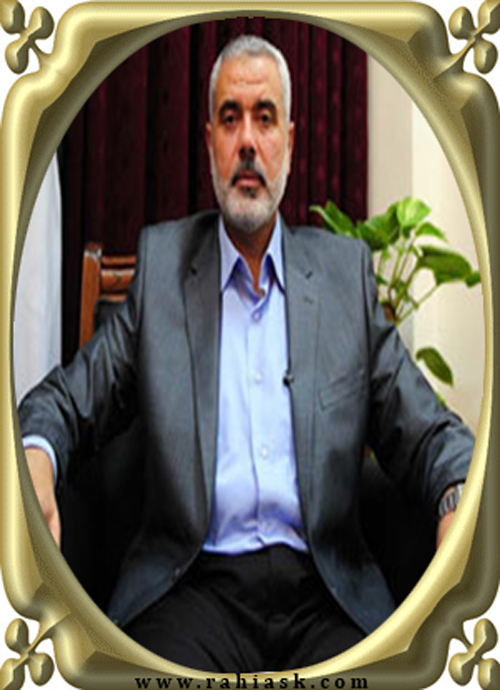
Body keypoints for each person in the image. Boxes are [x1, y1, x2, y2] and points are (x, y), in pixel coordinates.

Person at [19, 35, 474, 672]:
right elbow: (64, 403)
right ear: (209, 141)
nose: (248, 143)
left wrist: (457, 499)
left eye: (265, 118)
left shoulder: (343, 280)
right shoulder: (163, 271)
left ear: (290, 138)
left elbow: (430, 432)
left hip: (324, 592)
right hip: (193, 589)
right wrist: (35, 459)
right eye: (230, 119)